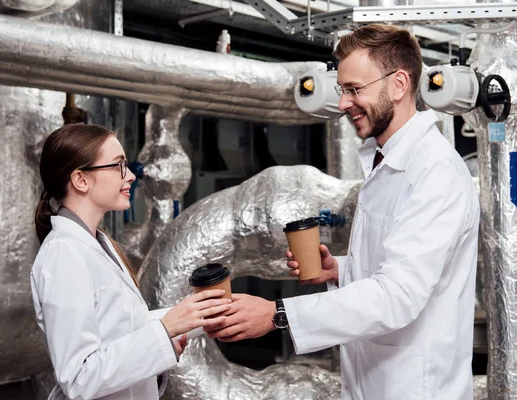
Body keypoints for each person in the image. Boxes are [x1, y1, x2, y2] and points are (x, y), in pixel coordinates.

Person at [204, 24, 480, 400]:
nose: (344, 103)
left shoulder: (434, 172)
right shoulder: (386, 161)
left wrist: (276, 314)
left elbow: (397, 295)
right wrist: (344, 268)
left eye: (354, 90)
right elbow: (403, 264)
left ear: (398, 84)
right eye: (343, 90)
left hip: (416, 387)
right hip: (375, 381)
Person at [30, 124, 232, 400]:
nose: (130, 176)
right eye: (118, 166)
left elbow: (123, 327)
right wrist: (166, 329)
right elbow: (80, 378)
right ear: (81, 180)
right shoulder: (64, 255)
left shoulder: (97, 244)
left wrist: (195, 319)